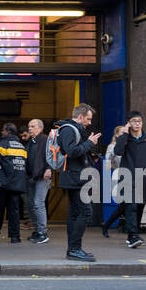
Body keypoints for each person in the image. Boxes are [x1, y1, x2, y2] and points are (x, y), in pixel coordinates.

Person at [55, 104, 101, 262]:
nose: (89, 122)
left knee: (75, 213)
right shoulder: (69, 129)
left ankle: (73, 249)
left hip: (76, 176)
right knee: (85, 212)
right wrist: (89, 143)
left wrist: (90, 156)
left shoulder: (74, 129)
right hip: (74, 178)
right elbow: (71, 151)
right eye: (88, 119)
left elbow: (76, 152)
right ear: (80, 117)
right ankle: (74, 249)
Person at [113, 112, 146, 248]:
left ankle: (133, 234)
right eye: (133, 121)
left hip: (145, 177)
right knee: (131, 206)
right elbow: (117, 151)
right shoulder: (125, 138)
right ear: (129, 123)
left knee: (140, 206)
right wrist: (124, 134)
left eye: (139, 121)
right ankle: (133, 235)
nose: (137, 123)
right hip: (128, 177)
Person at [0, 121, 28, 245]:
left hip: (2, 183)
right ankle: (15, 237)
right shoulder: (22, 146)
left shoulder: (2, 144)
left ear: (8, 132)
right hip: (17, 184)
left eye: (3, 130)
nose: (2, 132)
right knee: (14, 211)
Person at [24, 118, 52, 244]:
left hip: (42, 176)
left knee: (38, 203)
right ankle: (37, 230)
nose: (30, 128)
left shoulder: (46, 140)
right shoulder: (31, 142)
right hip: (31, 177)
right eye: (29, 126)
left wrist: (49, 169)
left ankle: (42, 232)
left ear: (40, 128)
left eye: (33, 126)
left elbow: (53, 156)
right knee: (30, 204)